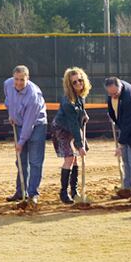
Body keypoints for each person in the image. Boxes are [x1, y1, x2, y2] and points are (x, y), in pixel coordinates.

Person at [4, 65, 47, 205]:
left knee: (34, 161)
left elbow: (29, 123)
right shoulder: (8, 84)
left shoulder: (33, 96)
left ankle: (32, 194)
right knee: (20, 160)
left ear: (28, 78)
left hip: (36, 125)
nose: (18, 83)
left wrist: (21, 142)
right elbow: (8, 100)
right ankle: (20, 191)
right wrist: (11, 114)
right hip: (18, 123)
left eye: (22, 79)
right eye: (16, 79)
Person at [52, 67, 91, 204]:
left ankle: (74, 191)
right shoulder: (68, 101)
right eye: (74, 82)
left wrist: (83, 114)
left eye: (80, 80)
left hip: (72, 127)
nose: (78, 83)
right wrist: (80, 145)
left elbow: (79, 112)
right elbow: (73, 125)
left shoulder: (80, 96)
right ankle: (63, 193)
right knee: (69, 157)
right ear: (70, 84)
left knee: (75, 160)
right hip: (61, 129)